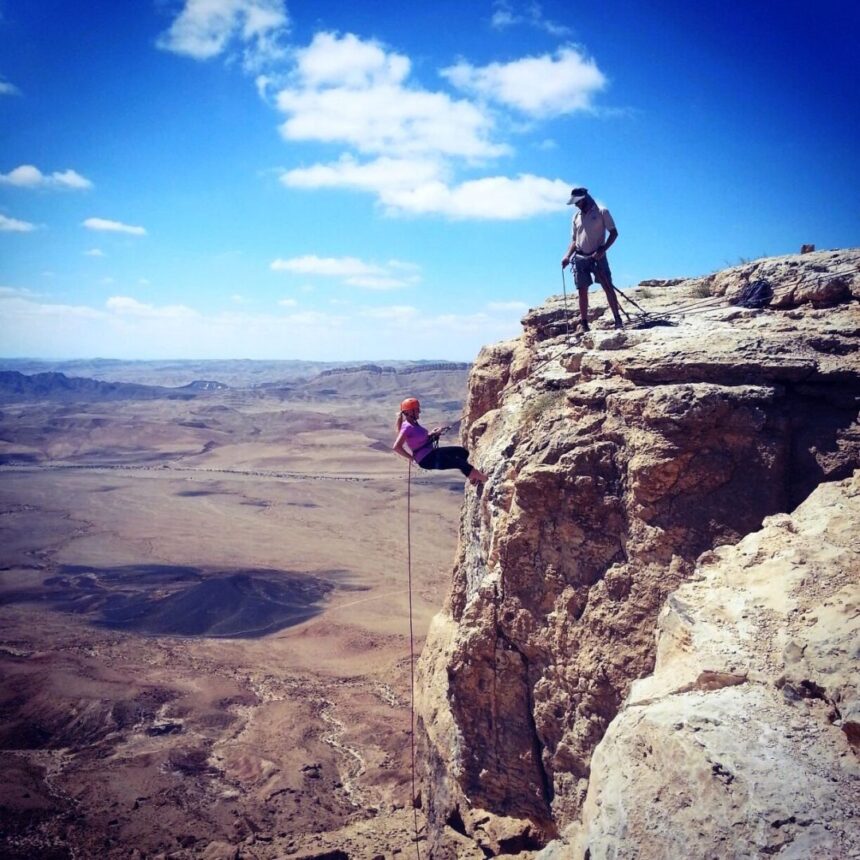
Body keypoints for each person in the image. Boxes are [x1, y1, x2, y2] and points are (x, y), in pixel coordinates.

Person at [561, 187, 624, 331]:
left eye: (577, 202)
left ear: (584, 198)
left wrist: (603, 249)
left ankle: (618, 319)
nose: (576, 205)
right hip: (580, 257)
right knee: (582, 290)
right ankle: (584, 324)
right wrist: (567, 256)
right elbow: (574, 240)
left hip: (598, 256)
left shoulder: (602, 212)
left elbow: (614, 233)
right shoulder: (576, 217)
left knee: (608, 287)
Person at [393, 397, 487, 484]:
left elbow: (419, 440)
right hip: (426, 459)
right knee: (459, 462)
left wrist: (433, 434)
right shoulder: (407, 427)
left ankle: (472, 477)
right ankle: (484, 479)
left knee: (462, 452)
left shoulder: (414, 423)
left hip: (431, 454)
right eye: (417, 410)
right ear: (410, 412)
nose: (419, 412)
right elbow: (397, 447)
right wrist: (411, 458)